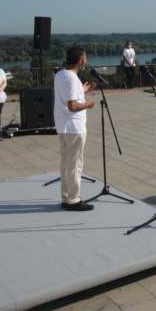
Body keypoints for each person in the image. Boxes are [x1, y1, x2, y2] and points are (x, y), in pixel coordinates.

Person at [54, 47, 97, 211]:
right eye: (85, 56)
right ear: (80, 60)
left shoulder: (60, 74)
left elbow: (68, 94)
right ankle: (73, 200)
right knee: (75, 164)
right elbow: (72, 105)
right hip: (74, 127)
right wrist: (88, 103)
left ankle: (66, 197)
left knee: (66, 163)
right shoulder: (72, 78)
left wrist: (83, 90)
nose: (86, 59)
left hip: (63, 126)